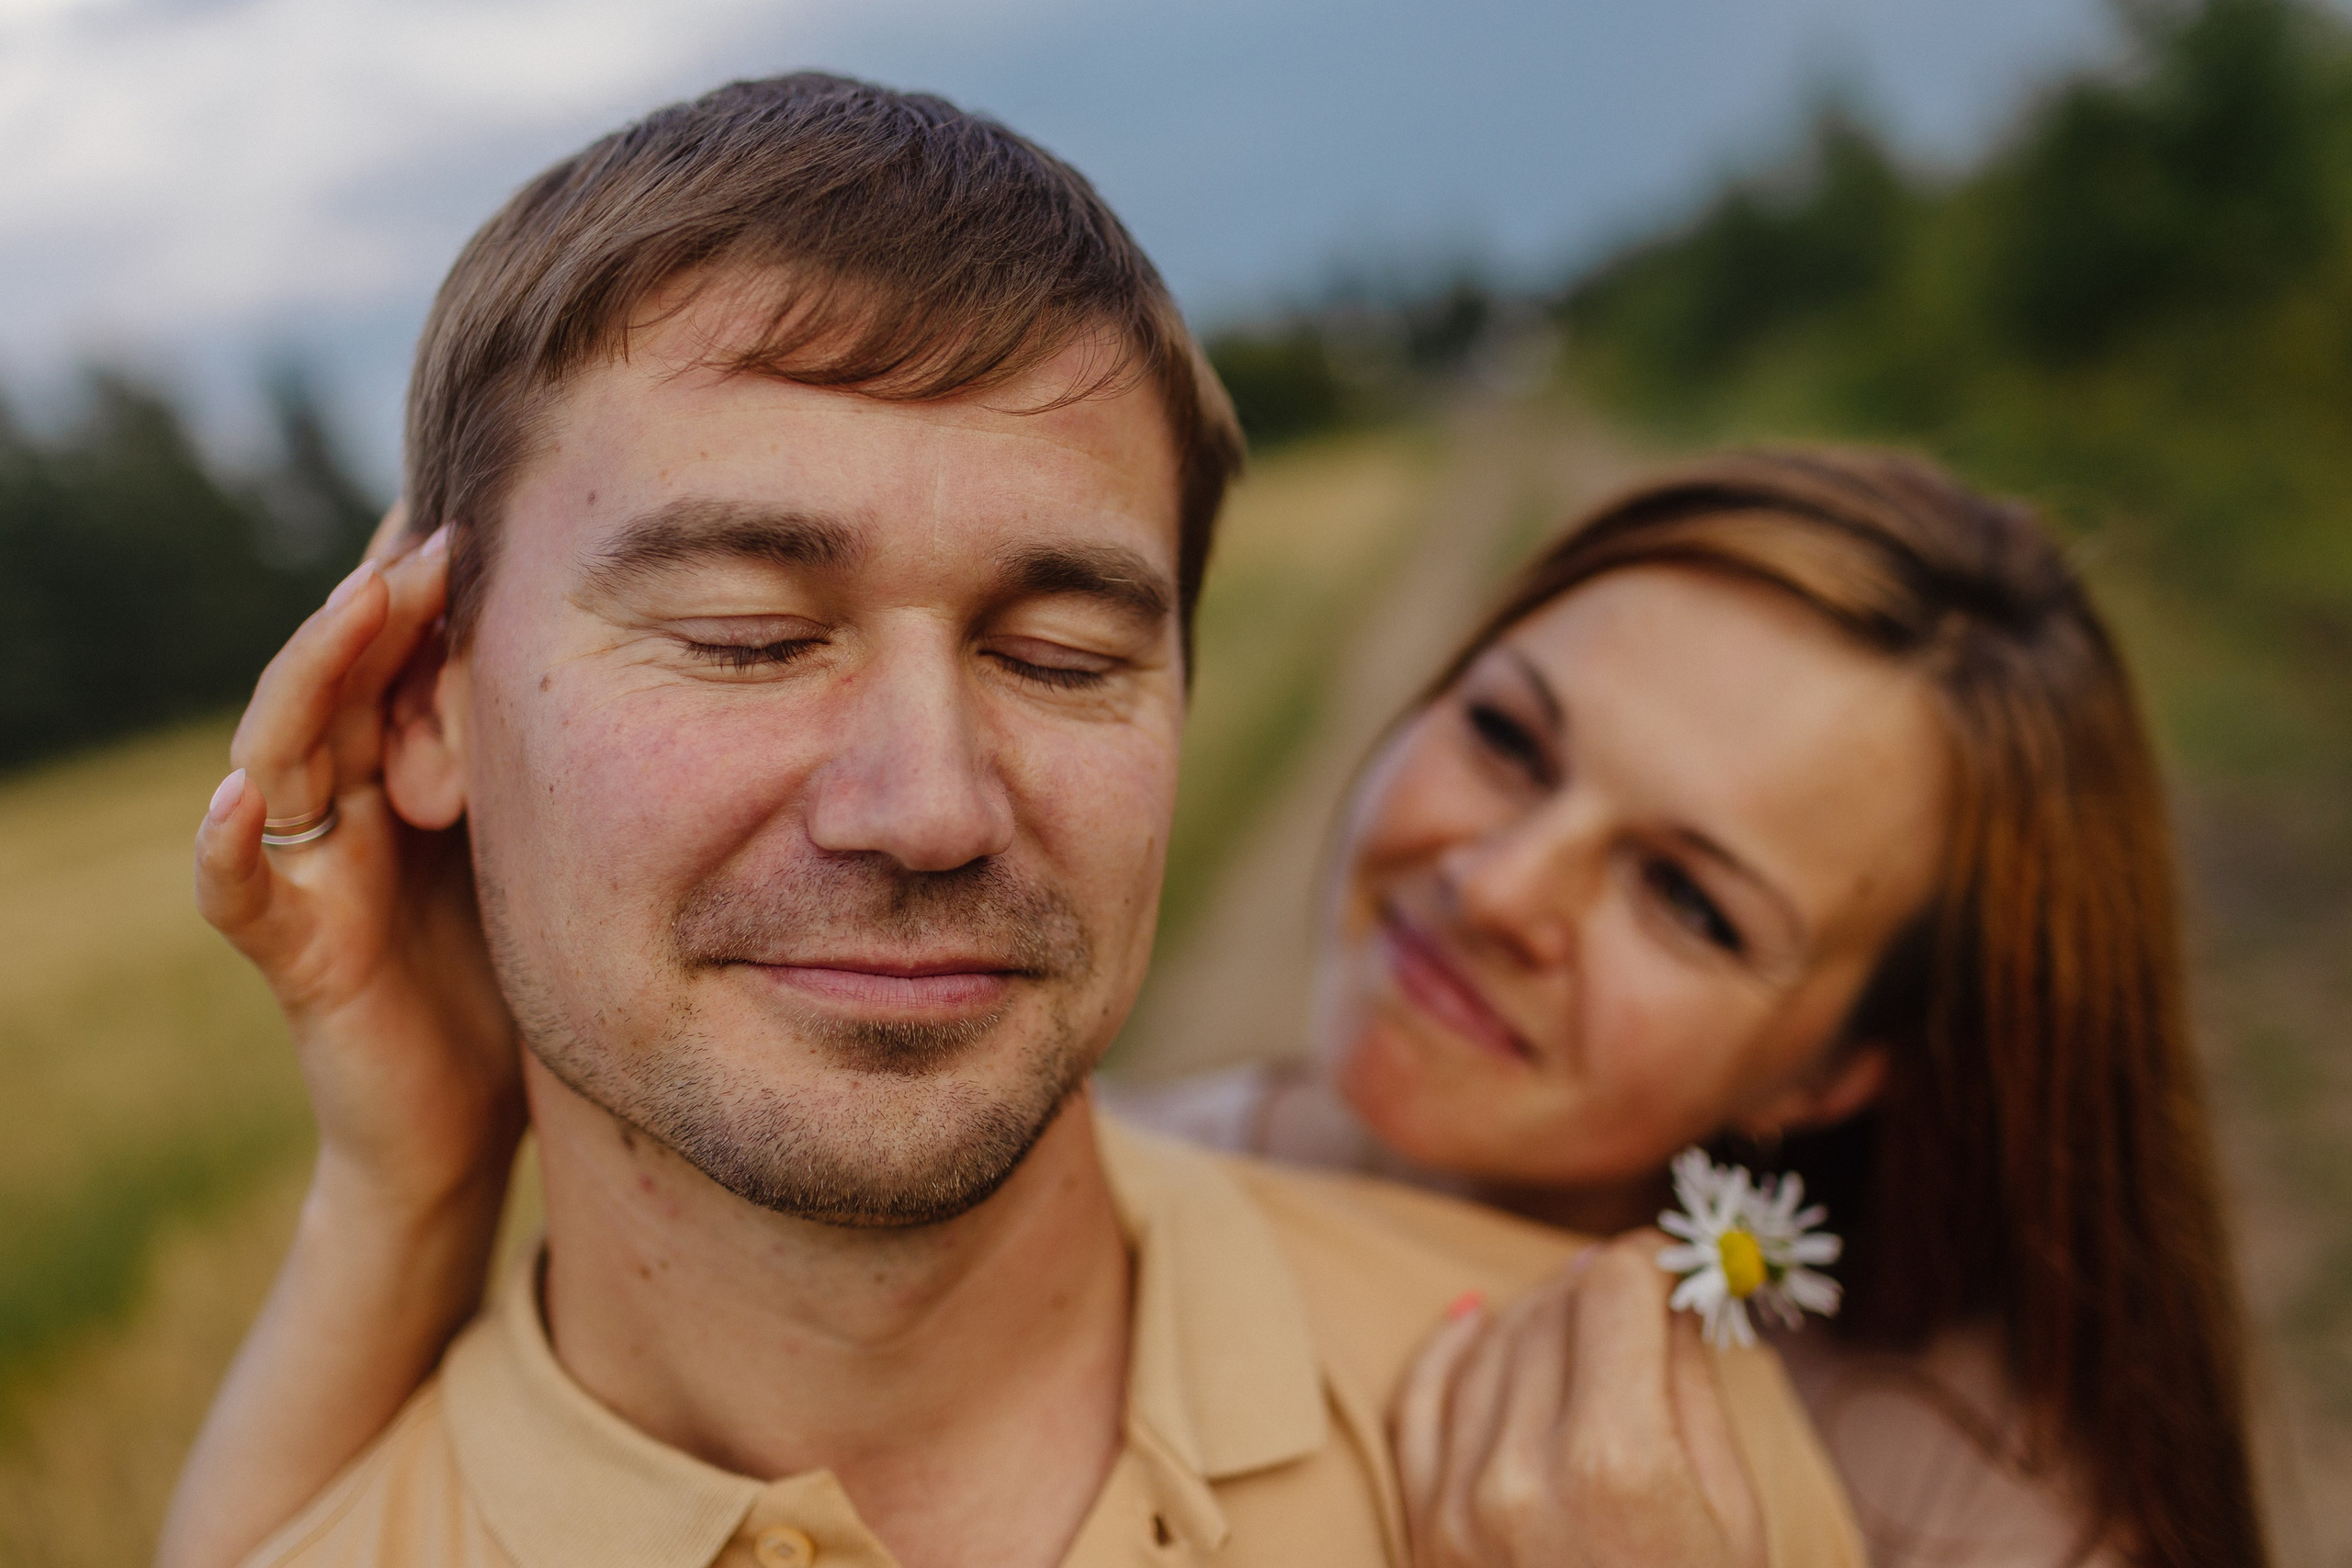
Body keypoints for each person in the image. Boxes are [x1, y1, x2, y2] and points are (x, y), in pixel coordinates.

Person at [160, 73, 1863, 1568]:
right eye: (749, 637)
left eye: (1058, 658)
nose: (930, 806)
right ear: (419, 708)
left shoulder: (1639, 1467)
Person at [1120, 448, 2268, 1567]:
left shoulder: (1980, 1516)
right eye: (1509, 738)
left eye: (1687, 899)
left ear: (1838, 1070)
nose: (1497, 886)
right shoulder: (1068, 1195)